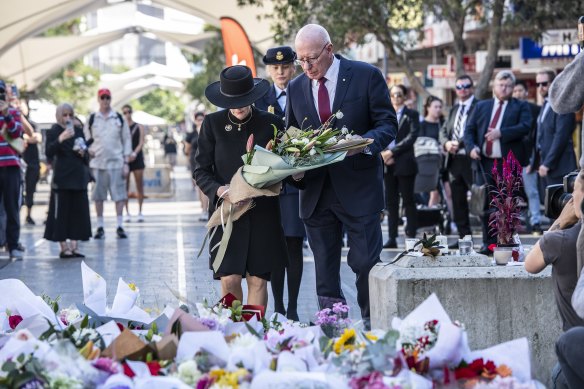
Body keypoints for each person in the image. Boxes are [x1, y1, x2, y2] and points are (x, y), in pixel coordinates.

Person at [285, 24, 397, 321]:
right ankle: (336, 335)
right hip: (316, 193)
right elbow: (289, 137)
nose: (306, 66)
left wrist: (363, 145)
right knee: (324, 270)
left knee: (365, 264)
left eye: (311, 58)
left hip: (359, 189)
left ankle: (374, 325)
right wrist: (292, 168)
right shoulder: (295, 87)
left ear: (329, 50)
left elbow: (387, 123)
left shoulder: (366, 75)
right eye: (300, 60)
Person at [194, 65, 288, 307]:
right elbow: (201, 170)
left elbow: (285, 166)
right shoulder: (212, 124)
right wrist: (221, 190)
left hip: (263, 213)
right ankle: (232, 334)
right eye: (233, 101)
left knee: (257, 281)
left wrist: (294, 171)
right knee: (230, 279)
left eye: (244, 100)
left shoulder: (273, 123)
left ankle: (254, 335)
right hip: (227, 213)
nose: (239, 106)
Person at [255, 45, 305, 320]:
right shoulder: (260, 98)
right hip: (270, 184)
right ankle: (278, 308)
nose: (281, 72)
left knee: (294, 244)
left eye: (285, 66)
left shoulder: (303, 91)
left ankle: (294, 308)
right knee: (275, 245)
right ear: (268, 70)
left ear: (293, 67)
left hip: (296, 182)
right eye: (275, 68)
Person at [525, 172, 584, 389]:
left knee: (558, 374)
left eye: (574, 192)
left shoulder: (559, 241)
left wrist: (561, 220)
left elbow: (530, 264)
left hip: (577, 348)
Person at [463, 70, 532, 254]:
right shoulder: (482, 106)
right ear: (494, 86)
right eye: (501, 85)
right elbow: (468, 130)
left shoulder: (520, 106)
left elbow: (525, 126)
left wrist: (501, 133)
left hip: (507, 164)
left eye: (509, 85)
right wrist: (471, 148)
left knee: (507, 204)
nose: (505, 88)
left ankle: (505, 242)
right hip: (484, 161)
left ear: (512, 87)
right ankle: (488, 243)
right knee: (486, 204)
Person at [44, 103, 92, 258]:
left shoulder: (78, 131)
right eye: (64, 115)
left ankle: (75, 246)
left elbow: (86, 157)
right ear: (59, 115)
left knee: (78, 212)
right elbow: (49, 152)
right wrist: (60, 138)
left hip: (78, 178)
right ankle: (64, 247)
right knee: (62, 213)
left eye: (70, 115)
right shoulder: (54, 131)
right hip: (62, 179)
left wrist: (83, 152)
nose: (67, 118)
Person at [84, 88, 132, 239]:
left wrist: (126, 162)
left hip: (117, 162)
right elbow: (85, 139)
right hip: (98, 163)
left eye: (108, 98)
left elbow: (126, 139)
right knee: (98, 196)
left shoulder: (118, 117)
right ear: (98, 99)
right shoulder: (92, 118)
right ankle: (100, 227)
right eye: (102, 98)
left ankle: (119, 225)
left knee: (119, 195)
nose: (105, 100)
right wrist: (89, 151)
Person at [440, 75, 477, 243]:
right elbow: (443, 131)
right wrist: (447, 143)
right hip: (454, 161)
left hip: (472, 160)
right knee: (458, 202)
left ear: (472, 87)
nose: (463, 90)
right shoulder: (454, 109)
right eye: (459, 87)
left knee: (480, 199)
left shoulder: (479, 106)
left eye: (466, 86)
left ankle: (488, 241)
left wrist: (460, 144)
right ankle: (464, 240)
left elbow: (477, 131)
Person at [382, 84, 419, 248]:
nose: (396, 97)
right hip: (387, 163)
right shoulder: (384, 114)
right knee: (391, 202)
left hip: (404, 162)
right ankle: (392, 237)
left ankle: (411, 234)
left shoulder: (412, 115)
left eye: (399, 94)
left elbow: (412, 137)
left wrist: (392, 152)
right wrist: (384, 153)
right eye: (393, 94)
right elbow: (380, 133)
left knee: (408, 200)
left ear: (404, 96)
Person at [533, 68, 577, 189]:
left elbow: (561, 136)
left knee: (562, 206)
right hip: (546, 167)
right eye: (537, 84)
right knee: (549, 205)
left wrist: (547, 164)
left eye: (544, 84)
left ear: (554, 83)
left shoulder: (563, 104)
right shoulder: (545, 104)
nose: (540, 87)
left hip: (560, 167)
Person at [513, 80, 543, 234]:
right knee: (512, 191)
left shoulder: (535, 109)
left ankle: (536, 220)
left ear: (526, 92)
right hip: (510, 156)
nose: (517, 93)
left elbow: (538, 135)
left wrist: (535, 159)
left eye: (520, 90)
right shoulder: (508, 109)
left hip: (529, 154)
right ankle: (515, 221)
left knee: (531, 190)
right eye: (515, 90)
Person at [0, 80, 24, 260]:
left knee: (12, 208)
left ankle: (13, 245)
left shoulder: (14, 112)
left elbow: (17, 133)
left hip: (11, 167)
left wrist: (7, 114)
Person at [420, 95, 452, 212]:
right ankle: (430, 220)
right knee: (434, 194)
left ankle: (451, 222)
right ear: (428, 108)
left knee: (449, 193)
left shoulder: (444, 123)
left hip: (445, 163)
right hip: (430, 164)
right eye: (435, 107)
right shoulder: (422, 125)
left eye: (440, 107)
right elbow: (420, 144)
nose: (438, 109)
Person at [122, 104, 146, 223]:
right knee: (124, 186)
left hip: (137, 157)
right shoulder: (121, 127)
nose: (127, 114)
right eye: (125, 112)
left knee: (139, 185)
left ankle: (140, 211)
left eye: (129, 112)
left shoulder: (139, 126)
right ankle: (127, 212)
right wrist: (126, 155)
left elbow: (141, 142)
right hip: (125, 158)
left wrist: (134, 153)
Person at [20, 100, 42, 226]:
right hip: (20, 162)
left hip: (32, 163)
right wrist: (28, 138)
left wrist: (25, 138)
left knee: (31, 190)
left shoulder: (33, 124)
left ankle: (28, 214)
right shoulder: (14, 123)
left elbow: (37, 138)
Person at [185, 111, 209, 221]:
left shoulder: (209, 131)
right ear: (195, 121)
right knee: (199, 187)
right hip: (194, 162)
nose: (200, 121)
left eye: (202, 119)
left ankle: (205, 210)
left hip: (207, 161)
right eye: (198, 119)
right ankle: (203, 208)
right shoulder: (191, 135)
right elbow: (187, 149)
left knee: (204, 187)